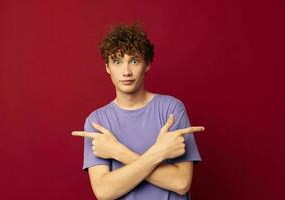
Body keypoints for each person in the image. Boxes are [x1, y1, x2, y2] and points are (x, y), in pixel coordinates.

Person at [72, 22, 205, 200]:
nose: (126, 71)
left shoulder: (171, 109)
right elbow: (104, 192)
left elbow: (181, 183)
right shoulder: (97, 121)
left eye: (134, 61)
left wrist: (117, 151)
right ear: (107, 67)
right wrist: (160, 153)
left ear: (147, 64)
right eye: (117, 62)